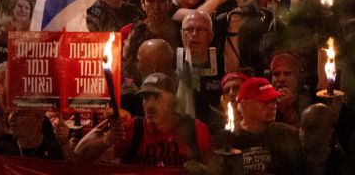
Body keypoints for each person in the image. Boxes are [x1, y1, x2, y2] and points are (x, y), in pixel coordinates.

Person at [76, 73, 212, 165]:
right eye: (145, 98)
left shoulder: (196, 130)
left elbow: (215, 170)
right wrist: (106, 140)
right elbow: (79, 158)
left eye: (156, 97)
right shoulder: (132, 129)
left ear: (173, 100)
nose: (149, 105)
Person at [214, 77, 305, 172]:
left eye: (274, 100)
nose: (273, 106)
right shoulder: (224, 140)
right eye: (265, 102)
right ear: (245, 105)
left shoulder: (288, 135)